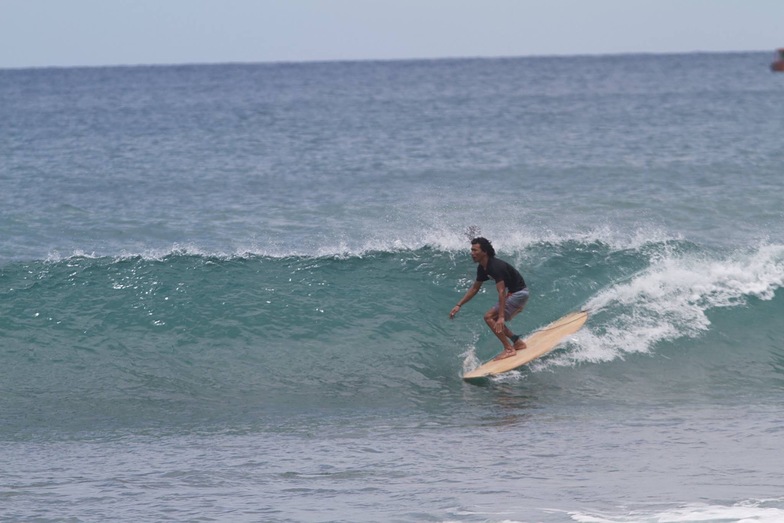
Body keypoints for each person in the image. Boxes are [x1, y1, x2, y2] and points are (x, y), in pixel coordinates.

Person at [449, 237, 530, 360]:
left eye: (475, 250)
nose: (472, 253)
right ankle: (517, 342)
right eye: (471, 250)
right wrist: (459, 305)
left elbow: (501, 292)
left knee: (489, 317)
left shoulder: (494, 266)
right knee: (493, 319)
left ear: (484, 252)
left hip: (519, 293)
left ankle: (509, 349)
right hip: (515, 293)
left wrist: (502, 317)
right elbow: (475, 289)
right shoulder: (482, 267)